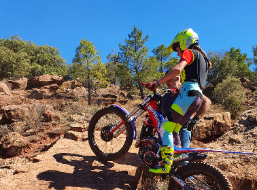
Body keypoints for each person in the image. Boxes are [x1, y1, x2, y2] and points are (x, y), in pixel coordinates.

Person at [147, 28, 212, 174]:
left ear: (184, 42)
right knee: (175, 128)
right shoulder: (204, 59)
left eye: (177, 48)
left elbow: (178, 69)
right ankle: (180, 160)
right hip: (197, 98)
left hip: (187, 94)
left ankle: (165, 166)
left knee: (165, 128)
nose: (177, 52)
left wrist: (158, 82)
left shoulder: (190, 52)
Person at [163, 70, 211, 149]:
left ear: (177, 78)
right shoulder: (166, 93)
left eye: (169, 80)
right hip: (168, 128)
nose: (167, 83)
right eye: (165, 81)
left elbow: (207, 102)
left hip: (183, 128)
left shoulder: (186, 89)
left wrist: (195, 120)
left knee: (183, 158)